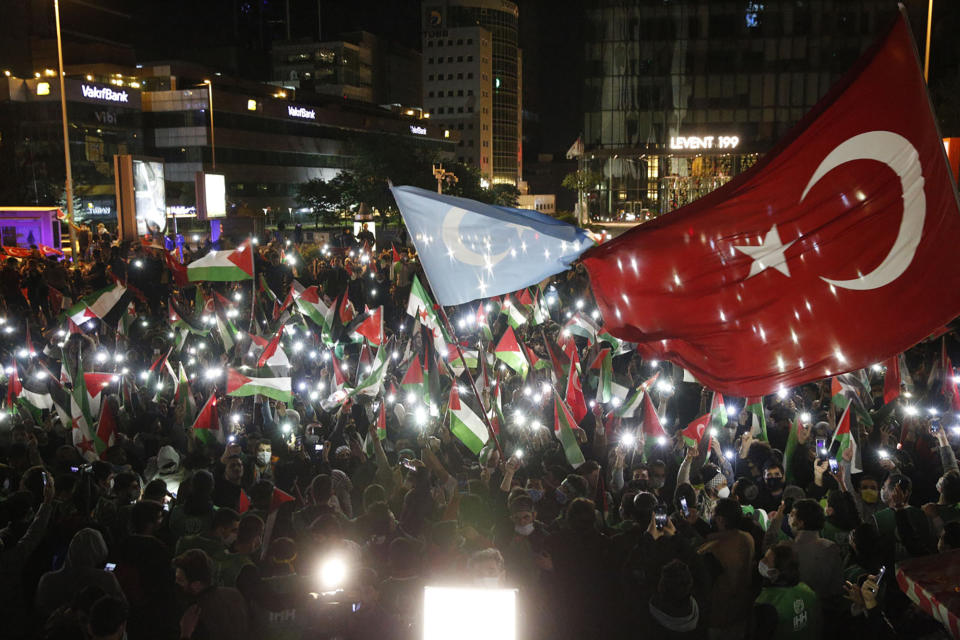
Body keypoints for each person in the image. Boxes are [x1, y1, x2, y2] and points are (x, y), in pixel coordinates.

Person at [34, 528, 127, 618]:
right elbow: (123, 608)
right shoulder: (105, 579)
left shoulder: (47, 580)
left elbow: (40, 613)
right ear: (98, 549)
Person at [174, 549, 250, 640]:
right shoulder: (234, 594)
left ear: (196, 585)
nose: (175, 583)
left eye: (180, 580)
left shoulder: (194, 613)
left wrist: (185, 634)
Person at [753, 542, 821, 639]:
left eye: (766, 561)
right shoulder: (808, 591)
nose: (761, 561)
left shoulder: (767, 603)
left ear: (775, 572)